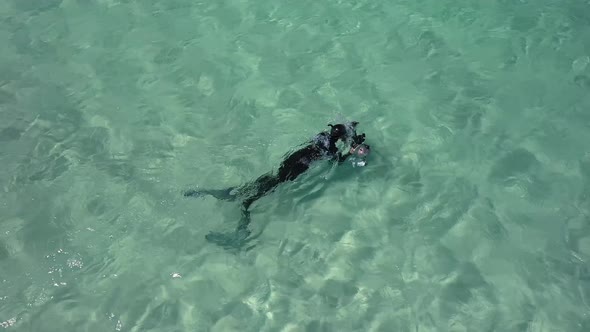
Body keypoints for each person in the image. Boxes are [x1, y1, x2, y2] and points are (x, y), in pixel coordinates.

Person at [183, 121, 370, 249]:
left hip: (281, 169)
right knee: (247, 202)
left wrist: (348, 132)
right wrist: (352, 151)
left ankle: (215, 194)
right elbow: (337, 162)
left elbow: (335, 133)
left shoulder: (320, 137)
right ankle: (240, 235)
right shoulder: (330, 150)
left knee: (246, 190)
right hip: (285, 177)